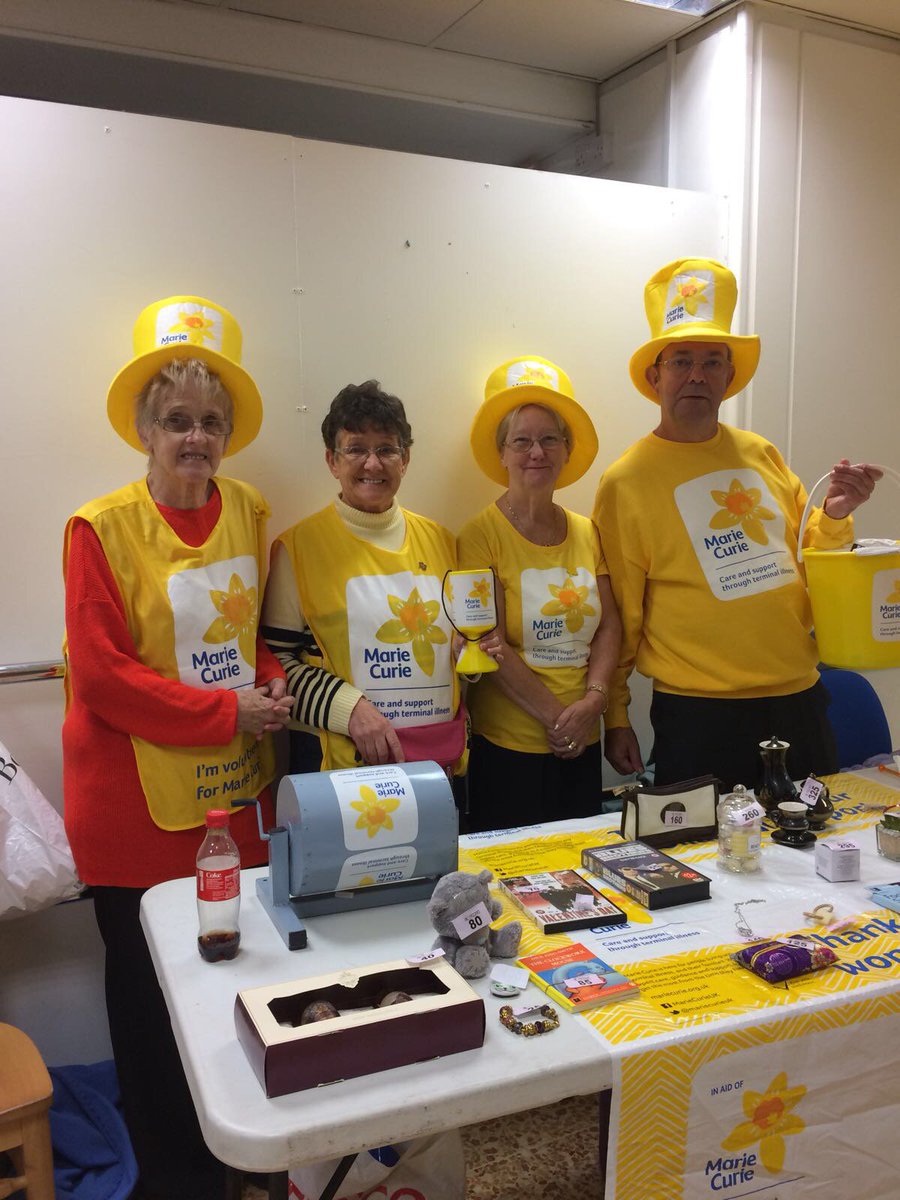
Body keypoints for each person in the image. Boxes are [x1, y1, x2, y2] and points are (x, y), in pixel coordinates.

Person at [63, 294, 292, 1200]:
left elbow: (251, 636)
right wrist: (226, 713)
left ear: (228, 434)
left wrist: (268, 683)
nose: (193, 438)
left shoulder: (248, 508)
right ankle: (174, 1176)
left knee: (235, 980)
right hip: (132, 812)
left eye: (208, 423)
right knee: (152, 1010)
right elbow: (106, 676)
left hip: (233, 794)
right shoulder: (99, 527)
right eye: (174, 421)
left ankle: (242, 1153)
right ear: (144, 431)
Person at [593, 258, 882, 790]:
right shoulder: (625, 482)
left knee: (818, 854)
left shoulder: (761, 454)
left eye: (712, 361)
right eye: (681, 360)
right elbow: (621, 614)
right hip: (699, 716)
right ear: (656, 376)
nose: (697, 375)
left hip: (799, 699)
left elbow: (809, 554)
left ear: (729, 376)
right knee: (711, 862)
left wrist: (836, 514)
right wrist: (615, 713)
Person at [262, 379, 471, 773]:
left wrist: (471, 656)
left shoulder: (444, 542)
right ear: (332, 461)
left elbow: (465, 656)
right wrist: (349, 709)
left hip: (437, 764)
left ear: (405, 459)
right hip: (338, 771)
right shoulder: (298, 548)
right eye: (356, 448)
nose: (372, 464)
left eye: (386, 449)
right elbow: (273, 664)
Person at [458, 356, 622, 830]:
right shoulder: (479, 535)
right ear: (502, 453)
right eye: (522, 440)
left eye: (550, 439)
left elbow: (609, 624)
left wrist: (593, 703)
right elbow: (487, 643)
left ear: (567, 450)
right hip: (510, 750)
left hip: (582, 738)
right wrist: (560, 720)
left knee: (581, 881)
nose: (537, 452)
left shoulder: (588, 531)